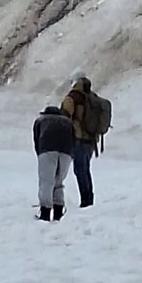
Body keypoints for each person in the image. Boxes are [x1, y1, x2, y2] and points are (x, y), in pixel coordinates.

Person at [62, 73, 103, 209]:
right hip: (91, 140)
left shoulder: (73, 97)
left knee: (80, 170)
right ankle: (88, 198)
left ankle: (86, 201)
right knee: (85, 169)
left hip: (78, 138)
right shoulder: (92, 97)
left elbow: (64, 116)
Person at [33, 97, 76, 220]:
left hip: (47, 150)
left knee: (46, 182)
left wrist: (40, 154)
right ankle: (58, 212)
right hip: (66, 153)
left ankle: (45, 213)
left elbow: (36, 139)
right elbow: (74, 139)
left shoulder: (41, 120)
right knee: (59, 182)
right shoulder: (68, 122)